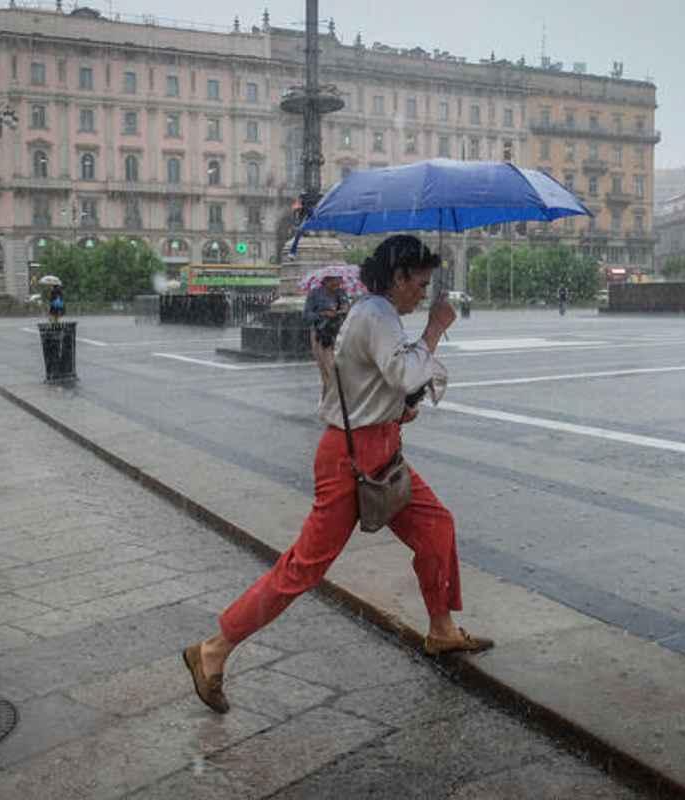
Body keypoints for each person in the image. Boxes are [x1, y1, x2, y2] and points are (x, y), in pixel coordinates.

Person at [183, 234, 492, 714]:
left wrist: (399, 408)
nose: (424, 293)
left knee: (436, 526)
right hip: (351, 460)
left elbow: (381, 384)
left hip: (379, 448)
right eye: (421, 283)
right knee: (303, 567)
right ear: (398, 277)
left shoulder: (378, 314)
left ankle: (441, 629)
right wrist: (434, 329)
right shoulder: (374, 315)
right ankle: (213, 649)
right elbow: (405, 373)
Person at [303, 273, 349, 397]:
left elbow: (347, 311)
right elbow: (306, 315)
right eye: (336, 280)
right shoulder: (315, 294)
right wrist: (323, 314)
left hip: (338, 334)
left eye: (340, 280)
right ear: (326, 280)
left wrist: (343, 310)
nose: (339, 283)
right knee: (328, 370)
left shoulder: (341, 293)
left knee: (336, 372)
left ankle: (327, 403)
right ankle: (333, 403)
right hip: (321, 334)